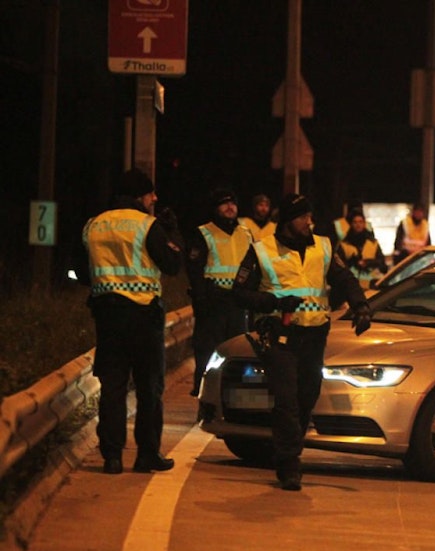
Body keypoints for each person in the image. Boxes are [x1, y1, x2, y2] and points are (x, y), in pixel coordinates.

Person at [232, 193, 372, 491]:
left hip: (315, 335)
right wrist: (274, 301)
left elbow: (344, 278)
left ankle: (287, 450)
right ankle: (289, 464)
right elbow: (240, 292)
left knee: (307, 396)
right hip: (281, 335)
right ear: (286, 222)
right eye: (302, 217)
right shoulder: (262, 250)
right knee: (287, 401)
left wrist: (360, 305)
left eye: (309, 216)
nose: (309, 221)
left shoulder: (323, 245)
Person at [80, 168, 184, 474]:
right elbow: (173, 264)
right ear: (140, 196)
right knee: (149, 387)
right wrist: (172, 232)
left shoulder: (93, 225)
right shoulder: (147, 225)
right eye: (151, 193)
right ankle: (146, 455)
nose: (155, 198)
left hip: (107, 316)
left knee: (112, 387)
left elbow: (80, 272)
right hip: (143, 316)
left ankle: (112, 457)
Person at [186, 188, 253, 397]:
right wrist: (201, 299)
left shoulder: (246, 233)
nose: (230, 207)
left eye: (232, 203)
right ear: (215, 209)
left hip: (238, 303)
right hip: (213, 303)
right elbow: (194, 270)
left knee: (238, 351)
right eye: (224, 203)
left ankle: (235, 394)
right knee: (207, 352)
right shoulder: (203, 233)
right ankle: (204, 393)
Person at [335, 208, 388, 288]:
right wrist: (352, 263)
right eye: (355, 222)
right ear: (351, 224)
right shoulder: (344, 245)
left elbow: (382, 262)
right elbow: (339, 266)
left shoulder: (373, 243)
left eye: (360, 222)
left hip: (372, 284)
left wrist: (368, 263)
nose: (358, 225)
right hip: (352, 285)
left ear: (364, 224)